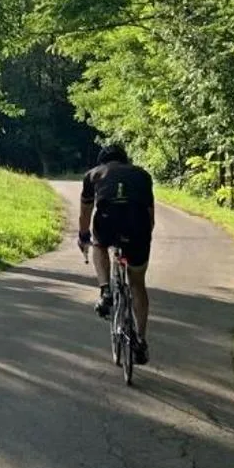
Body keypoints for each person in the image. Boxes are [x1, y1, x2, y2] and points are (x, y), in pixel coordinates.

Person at [78, 142, 155, 364]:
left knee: (99, 246)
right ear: (125, 159)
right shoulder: (142, 175)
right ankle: (140, 340)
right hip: (137, 226)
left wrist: (83, 236)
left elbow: (86, 212)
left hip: (108, 221)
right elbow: (150, 217)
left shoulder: (93, 174)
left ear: (102, 160)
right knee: (137, 283)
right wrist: (141, 238)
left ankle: (106, 292)